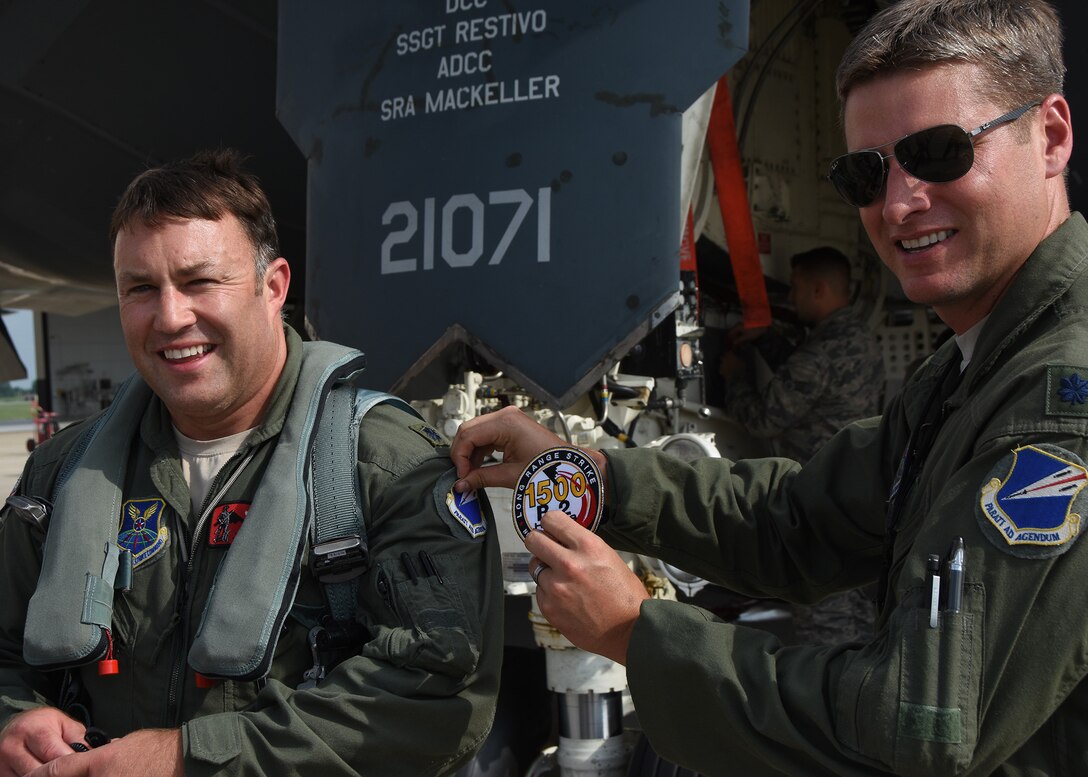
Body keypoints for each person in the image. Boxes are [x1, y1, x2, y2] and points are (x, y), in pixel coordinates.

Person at [451, 0, 1088, 773]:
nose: (897, 203)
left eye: (942, 151)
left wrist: (635, 631)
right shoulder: (970, 369)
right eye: (867, 172)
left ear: (1050, 135)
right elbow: (797, 520)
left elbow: (920, 725)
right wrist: (595, 477)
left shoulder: (1060, 397)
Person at [0, 150, 502, 777]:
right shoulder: (62, 475)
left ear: (273, 288)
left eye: (201, 281)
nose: (171, 316)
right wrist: (15, 717)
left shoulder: (384, 465)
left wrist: (190, 760)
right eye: (140, 289)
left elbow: (435, 699)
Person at [720, 246, 884, 645]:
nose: (790, 297)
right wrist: (765, 342)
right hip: (858, 500)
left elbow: (763, 418)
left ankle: (831, 699)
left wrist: (735, 376)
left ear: (818, 290)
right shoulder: (860, 339)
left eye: (795, 287)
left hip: (820, 510)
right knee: (858, 616)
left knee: (825, 629)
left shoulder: (821, 352)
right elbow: (806, 376)